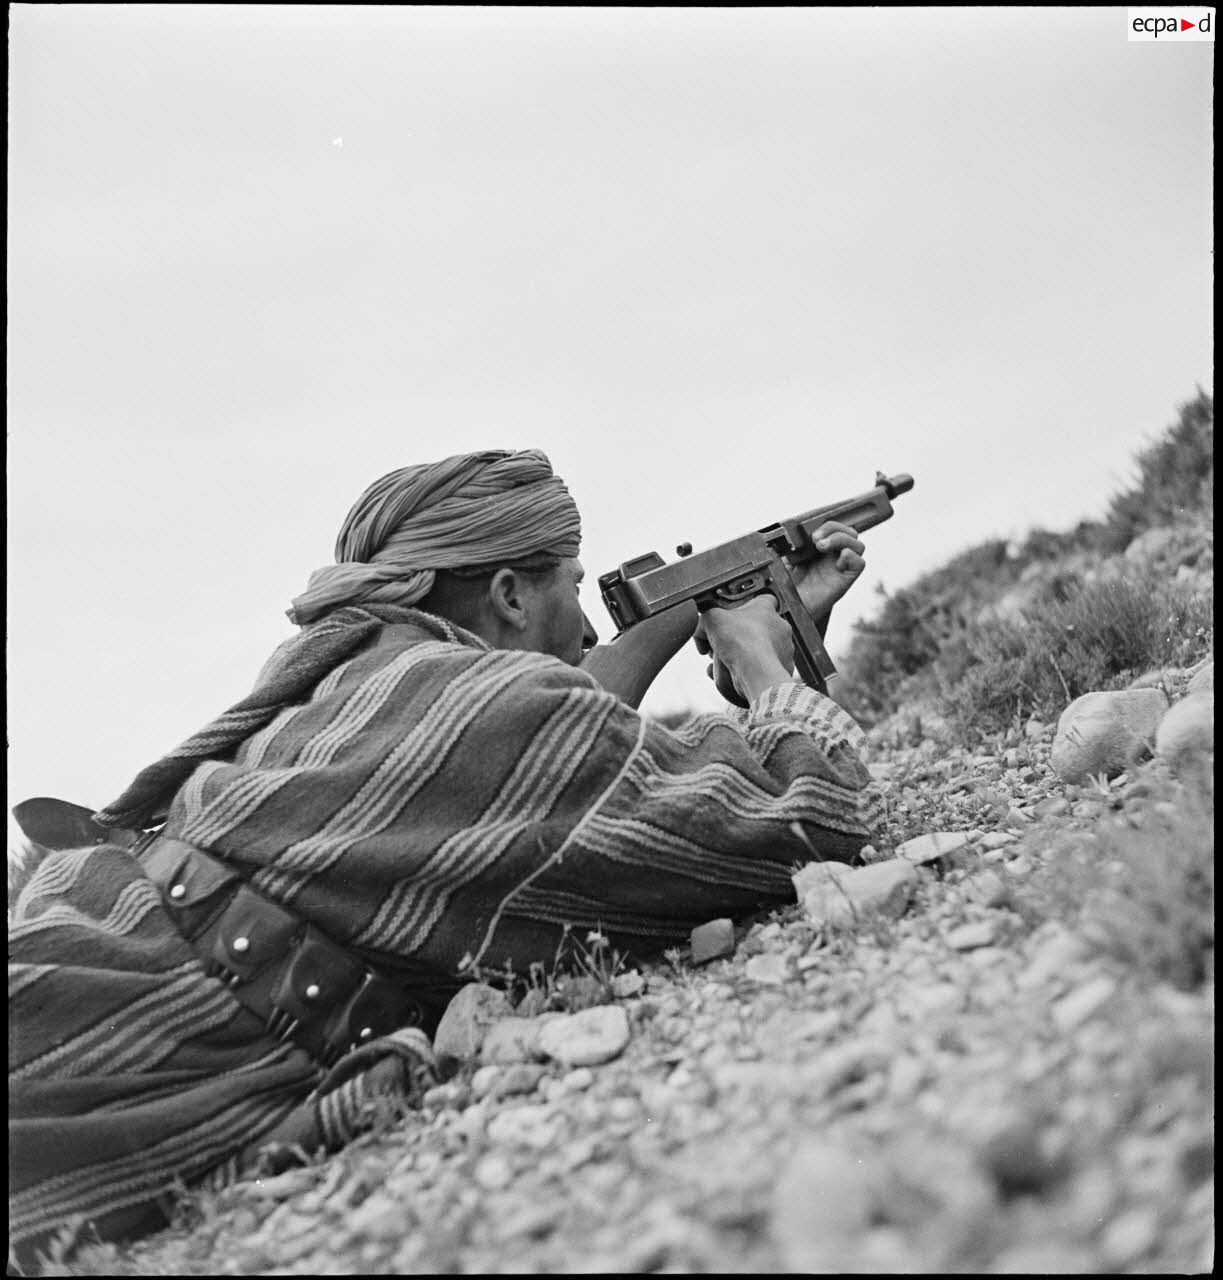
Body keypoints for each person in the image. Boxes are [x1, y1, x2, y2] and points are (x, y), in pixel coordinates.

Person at [9, 447, 877, 1269]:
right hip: (121, 1026)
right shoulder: (490, 705)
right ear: (506, 593)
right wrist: (761, 662)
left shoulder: (351, 680)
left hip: (88, 940)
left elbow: (529, 765)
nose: (582, 625)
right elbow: (812, 820)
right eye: (571, 586)